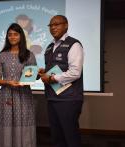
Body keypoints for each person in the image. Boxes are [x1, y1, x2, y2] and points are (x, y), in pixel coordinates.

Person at [39, 15, 84, 147]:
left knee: (70, 137)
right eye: (51, 25)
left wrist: (52, 78)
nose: (53, 27)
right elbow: (53, 69)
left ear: (66, 25)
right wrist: (43, 73)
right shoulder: (49, 47)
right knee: (57, 137)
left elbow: (75, 73)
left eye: (57, 24)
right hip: (52, 98)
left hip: (68, 99)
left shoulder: (74, 44)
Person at [0, 23, 37, 147]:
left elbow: (32, 77)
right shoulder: (2, 55)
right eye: (10, 35)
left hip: (24, 96)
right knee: (7, 123)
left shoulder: (29, 55)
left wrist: (38, 73)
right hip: (6, 96)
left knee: (23, 122)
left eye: (15, 34)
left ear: (21, 36)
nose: (12, 37)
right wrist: (8, 82)